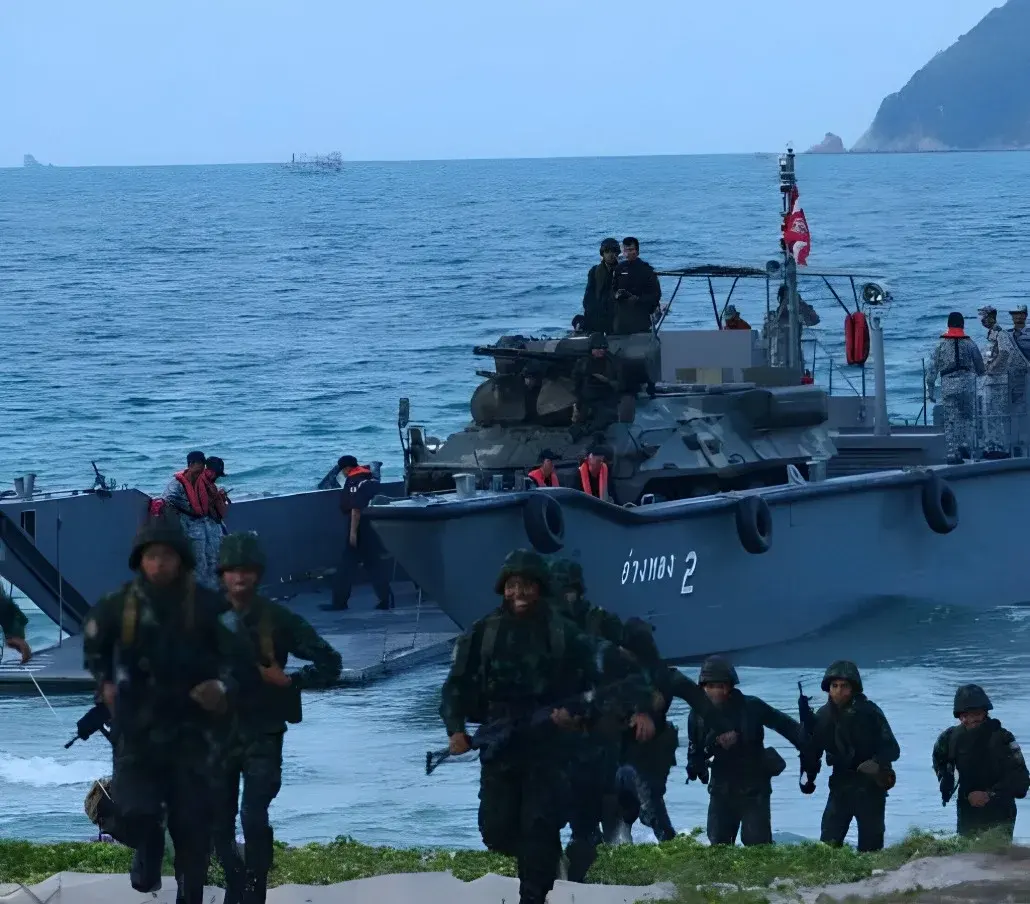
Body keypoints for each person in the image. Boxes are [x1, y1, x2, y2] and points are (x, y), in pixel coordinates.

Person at [439, 549, 654, 904]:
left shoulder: (563, 633)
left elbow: (614, 673)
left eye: (527, 585)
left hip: (550, 748)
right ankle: (548, 858)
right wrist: (455, 729)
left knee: (538, 827)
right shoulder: (483, 633)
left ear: (540, 588)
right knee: (496, 831)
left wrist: (582, 716)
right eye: (512, 585)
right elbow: (455, 686)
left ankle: (535, 893)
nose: (518, 593)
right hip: (502, 745)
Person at [81, 515, 240, 903]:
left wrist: (221, 687)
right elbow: (96, 650)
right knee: (134, 812)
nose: (158, 564)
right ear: (140, 560)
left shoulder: (209, 606)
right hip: (138, 734)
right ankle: (148, 850)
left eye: (167, 555)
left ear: (181, 558)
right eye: (151, 556)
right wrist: (104, 687)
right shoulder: (118, 606)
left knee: (193, 833)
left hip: (193, 735)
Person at [213, 532, 342, 904]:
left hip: (263, 733)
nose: (240, 577)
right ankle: (235, 883)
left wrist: (290, 681)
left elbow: (330, 662)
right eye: (233, 570)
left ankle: (255, 890)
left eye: (247, 570)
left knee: (253, 815)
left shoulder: (277, 619)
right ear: (222, 574)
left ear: (258, 574)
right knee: (217, 821)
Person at [615, 621, 733, 845]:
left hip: (651, 750)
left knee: (650, 803)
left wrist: (725, 729)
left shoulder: (666, 677)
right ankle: (625, 842)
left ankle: (667, 843)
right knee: (623, 805)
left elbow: (702, 704)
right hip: (619, 748)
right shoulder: (615, 676)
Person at [685, 656, 803, 847]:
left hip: (754, 788)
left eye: (721, 685)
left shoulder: (751, 707)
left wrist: (810, 747)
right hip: (721, 789)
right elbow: (694, 755)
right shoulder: (697, 716)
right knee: (718, 844)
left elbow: (788, 727)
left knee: (757, 845)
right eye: (711, 686)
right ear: (703, 687)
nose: (717, 691)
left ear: (730, 686)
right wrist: (711, 748)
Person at [802, 660, 900, 853]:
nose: (839, 691)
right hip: (840, 786)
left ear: (853, 688)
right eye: (834, 686)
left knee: (872, 849)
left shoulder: (869, 712)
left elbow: (892, 749)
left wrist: (876, 762)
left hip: (870, 787)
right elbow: (813, 752)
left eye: (844, 686)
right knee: (828, 846)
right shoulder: (823, 716)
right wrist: (808, 778)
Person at [932, 684, 1029, 840]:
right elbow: (940, 762)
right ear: (959, 716)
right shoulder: (949, 738)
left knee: (996, 853)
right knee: (968, 853)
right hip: (967, 811)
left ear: (985, 712)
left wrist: (989, 795)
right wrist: (947, 779)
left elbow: (1021, 781)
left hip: (1000, 813)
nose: (971, 720)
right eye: (965, 715)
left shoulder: (1003, 739)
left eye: (976, 714)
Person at [322, 455, 393, 611]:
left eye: (343, 470)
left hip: (359, 527)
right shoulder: (369, 477)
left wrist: (353, 534)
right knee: (374, 565)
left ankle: (339, 603)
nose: (343, 473)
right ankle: (386, 599)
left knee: (345, 568)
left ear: (347, 468)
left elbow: (356, 509)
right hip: (372, 526)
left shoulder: (354, 481)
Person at [926, 312, 986, 463]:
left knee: (951, 420)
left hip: (949, 386)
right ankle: (966, 447)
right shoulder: (970, 343)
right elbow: (980, 366)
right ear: (962, 325)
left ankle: (953, 452)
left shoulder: (940, 344)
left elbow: (932, 369)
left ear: (948, 325)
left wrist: (930, 391)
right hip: (967, 386)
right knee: (968, 417)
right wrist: (980, 374)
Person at [162, 450, 219, 590]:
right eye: (199, 465)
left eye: (203, 465)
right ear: (191, 464)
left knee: (212, 559)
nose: (201, 470)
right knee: (196, 563)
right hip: (187, 529)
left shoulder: (203, 482)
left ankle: (212, 591)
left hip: (204, 528)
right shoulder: (176, 485)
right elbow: (166, 502)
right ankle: (196, 593)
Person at [979, 306, 1011, 458]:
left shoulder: (1000, 334)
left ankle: (1001, 447)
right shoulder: (991, 334)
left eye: (984, 317)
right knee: (989, 415)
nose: (982, 320)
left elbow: (1004, 352)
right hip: (990, 381)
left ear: (992, 317)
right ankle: (992, 445)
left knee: (997, 415)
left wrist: (992, 367)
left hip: (998, 381)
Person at [612, 237, 662, 335]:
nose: (628, 253)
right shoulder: (619, 269)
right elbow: (612, 290)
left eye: (631, 250)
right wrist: (616, 295)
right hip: (621, 320)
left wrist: (638, 299)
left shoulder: (647, 270)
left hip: (641, 318)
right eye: (626, 250)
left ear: (637, 251)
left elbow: (656, 295)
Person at [764, 284, 820, 368]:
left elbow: (814, 320)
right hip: (784, 352)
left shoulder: (798, 308)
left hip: (791, 351)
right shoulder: (781, 311)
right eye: (786, 297)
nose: (787, 301)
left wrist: (802, 304)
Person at [581, 238, 620, 334]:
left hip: (616, 314)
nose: (610, 255)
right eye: (607, 252)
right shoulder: (595, 271)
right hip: (599, 314)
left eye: (613, 251)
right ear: (602, 253)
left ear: (617, 253)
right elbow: (588, 298)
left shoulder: (622, 270)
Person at [1006, 305, 1030, 456]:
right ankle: (1018, 442)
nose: (1017, 317)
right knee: (1015, 410)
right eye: (1014, 314)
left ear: (1025, 315)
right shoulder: (1006, 335)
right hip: (1014, 379)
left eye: (1020, 314)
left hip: (1028, 376)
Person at [203, 455, 230, 572]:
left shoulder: (206, 484)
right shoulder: (206, 486)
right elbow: (220, 512)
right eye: (216, 474)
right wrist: (219, 499)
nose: (216, 477)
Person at [0, 586, 31, 663]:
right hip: (15, 621)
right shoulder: (6, 600)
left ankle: (26, 655)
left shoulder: (4, 602)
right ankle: (26, 654)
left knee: (12, 640)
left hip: (14, 622)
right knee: (11, 641)